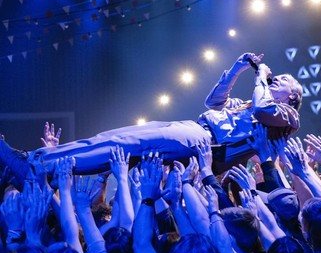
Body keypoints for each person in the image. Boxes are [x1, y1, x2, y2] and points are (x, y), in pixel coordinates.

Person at [0, 52, 302, 181]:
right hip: (193, 129)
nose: (278, 78)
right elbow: (213, 101)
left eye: (284, 80)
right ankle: (39, 164)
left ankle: (34, 167)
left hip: (204, 143)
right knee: (113, 140)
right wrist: (236, 69)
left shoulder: (287, 116)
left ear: (292, 96)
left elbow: (264, 108)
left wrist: (261, 74)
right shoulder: (249, 104)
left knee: (123, 145)